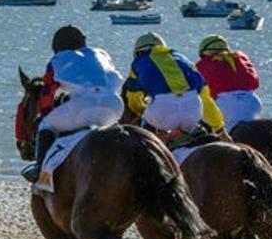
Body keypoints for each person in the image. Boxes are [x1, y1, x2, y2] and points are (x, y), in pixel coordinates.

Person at [21, 25, 124, 183]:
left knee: (46, 125)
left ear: (58, 47)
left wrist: (46, 113)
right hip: (114, 105)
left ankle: (40, 167)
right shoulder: (100, 54)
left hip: (83, 106)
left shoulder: (58, 59)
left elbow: (47, 93)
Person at [124, 33, 224, 142]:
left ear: (137, 52)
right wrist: (219, 128)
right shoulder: (182, 58)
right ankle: (197, 134)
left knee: (144, 125)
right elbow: (205, 98)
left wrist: (140, 112)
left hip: (162, 112)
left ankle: (150, 147)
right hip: (193, 110)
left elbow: (134, 99)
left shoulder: (138, 62)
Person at [195, 35, 262, 131]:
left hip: (225, 106)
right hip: (253, 103)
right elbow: (255, 83)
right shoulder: (240, 58)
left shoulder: (204, 64)